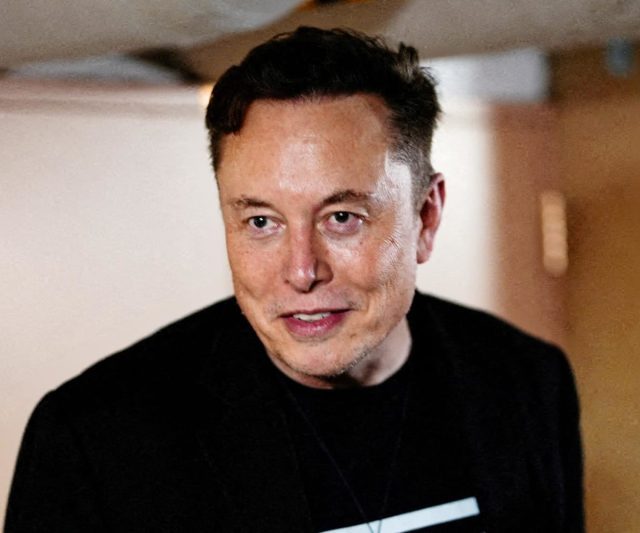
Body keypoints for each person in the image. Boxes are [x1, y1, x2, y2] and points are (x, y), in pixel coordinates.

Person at [6, 27, 583, 532]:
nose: (301, 271)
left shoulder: (528, 383)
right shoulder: (95, 441)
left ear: (426, 217)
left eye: (342, 217)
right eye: (261, 221)